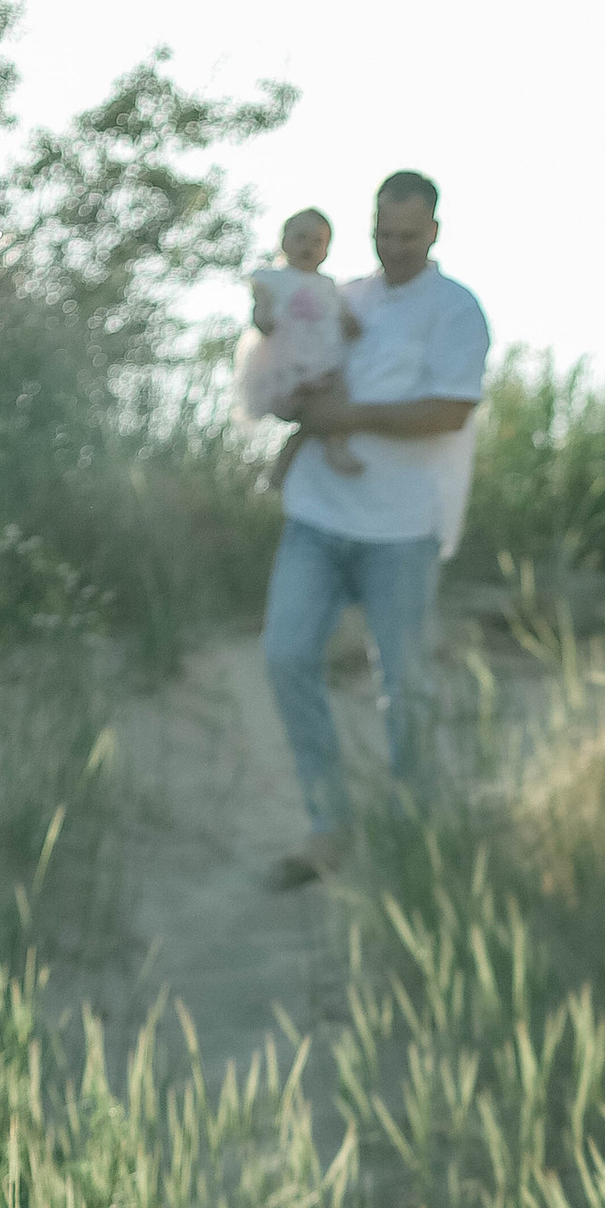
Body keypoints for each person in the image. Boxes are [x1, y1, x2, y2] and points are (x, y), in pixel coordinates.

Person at [248, 169, 490, 881]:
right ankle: (328, 825)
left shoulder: (456, 309)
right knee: (286, 658)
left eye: (409, 235)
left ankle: (410, 828)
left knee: (405, 685)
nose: (395, 247)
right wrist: (290, 398)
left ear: (435, 232)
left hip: (403, 528)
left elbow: (449, 410)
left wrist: (344, 417)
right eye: (384, 234)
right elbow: (294, 365)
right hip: (317, 515)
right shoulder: (341, 294)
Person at [242, 207, 364, 475]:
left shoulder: (328, 285)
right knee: (308, 409)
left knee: (335, 400)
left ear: (327, 250)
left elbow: (341, 314)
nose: (308, 246)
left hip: (321, 360)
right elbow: (260, 307)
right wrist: (262, 317)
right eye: (300, 238)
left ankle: (315, 448)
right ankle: (308, 449)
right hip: (284, 361)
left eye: (317, 241)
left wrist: (350, 323)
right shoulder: (272, 279)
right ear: (284, 242)